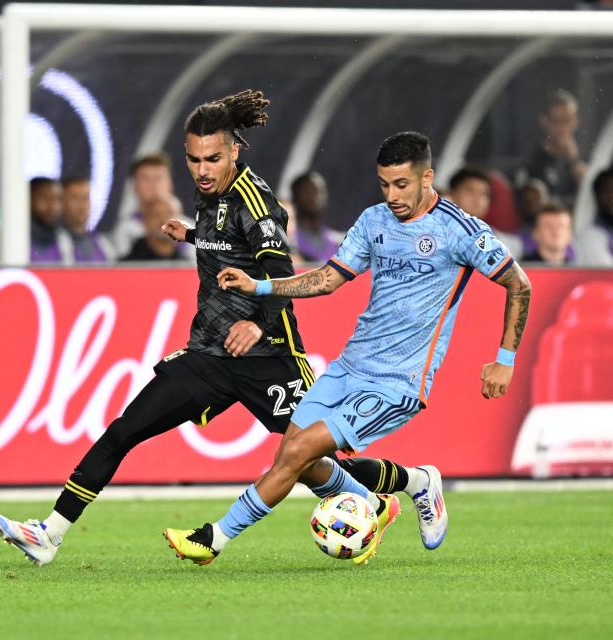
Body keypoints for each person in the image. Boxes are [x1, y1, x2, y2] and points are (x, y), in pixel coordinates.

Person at [0, 91, 434, 566]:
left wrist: (258, 325)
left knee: (306, 463)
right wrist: (194, 236)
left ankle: (412, 483)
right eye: (194, 159)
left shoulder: (255, 201)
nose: (202, 169)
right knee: (125, 429)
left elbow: (279, 268)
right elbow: (227, 236)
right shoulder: (209, 195)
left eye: (213, 158)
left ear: (235, 151)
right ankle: (49, 534)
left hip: (270, 355)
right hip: (209, 353)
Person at [165, 131, 531, 566]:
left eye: (401, 185)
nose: (392, 195)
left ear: (427, 177)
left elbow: (518, 284)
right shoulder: (374, 221)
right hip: (349, 366)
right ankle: (408, 488)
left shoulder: (459, 230)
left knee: (300, 453)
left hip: (400, 380)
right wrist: (261, 284)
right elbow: (326, 280)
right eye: (384, 184)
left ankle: (214, 539)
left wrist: (504, 361)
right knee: (295, 458)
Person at [521, 90, 587, 208]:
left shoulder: (588, 157)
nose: (562, 128)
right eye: (556, 121)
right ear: (544, 122)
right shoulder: (533, 162)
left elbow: (592, 193)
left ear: (576, 121)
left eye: (567, 120)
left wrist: (574, 160)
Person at [112, 152, 175, 257]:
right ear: (135, 187)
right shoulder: (124, 231)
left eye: (158, 178)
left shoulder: (191, 228)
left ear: (170, 185)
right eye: (146, 178)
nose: (153, 185)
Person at [56, 176, 114, 264]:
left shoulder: (102, 242)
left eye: (85, 198)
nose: (81, 205)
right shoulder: (53, 241)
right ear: (62, 201)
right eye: (75, 198)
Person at [290, 171, 343, 262]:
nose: (315, 196)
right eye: (307, 191)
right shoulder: (288, 243)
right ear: (295, 197)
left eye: (320, 190)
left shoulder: (339, 242)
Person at [121, 194, 189, 262]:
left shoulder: (190, 267)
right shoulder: (123, 268)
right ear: (145, 221)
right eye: (156, 215)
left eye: (170, 214)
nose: (164, 220)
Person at [29, 177, 63, 263]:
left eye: (58, 199)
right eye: (45, 198)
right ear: (29, 200)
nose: (53, 206)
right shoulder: (16, 239)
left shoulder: (64, 240)